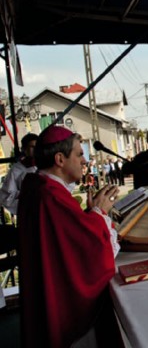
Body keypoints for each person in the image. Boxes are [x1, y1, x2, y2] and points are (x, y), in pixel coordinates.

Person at [18, 126, 122, 347]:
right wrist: (99, 213)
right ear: (60, 159)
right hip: (65, 307)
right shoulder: (50, 195)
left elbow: (64, 236)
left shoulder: (39, 186)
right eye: (79, 154)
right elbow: (87, 252)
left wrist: (89, 216)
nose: (84, 161)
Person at [0, 133, 38, 217]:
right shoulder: (16, 170)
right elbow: (6, 197)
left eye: (37, 146)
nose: (36, 149)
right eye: (32, 147)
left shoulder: (46, 165)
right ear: (24, 149)